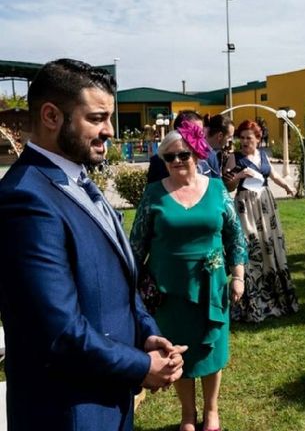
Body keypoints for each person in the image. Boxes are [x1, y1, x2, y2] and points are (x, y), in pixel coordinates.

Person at [0, 58, 186, 430]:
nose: (110, 131)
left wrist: (146, 334)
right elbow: (60, 333)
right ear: (52, 116)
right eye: (97, 118)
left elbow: (117, 283)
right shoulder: (25, 200)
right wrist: (141, 366)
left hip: (108, 400)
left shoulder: (78, 179)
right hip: (68, 412)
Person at [130, 124, 247, 431]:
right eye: (170, 157)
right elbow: (136, 244)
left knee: (210, 349)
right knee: (176, 349)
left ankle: (211, 411)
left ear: (196, 152)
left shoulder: (218, 188)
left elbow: (235, 236)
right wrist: (133, 286)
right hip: (169, 290)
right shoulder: (154, 193)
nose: (178, 160)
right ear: (163, 161)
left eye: (183, 154)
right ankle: (187, 415)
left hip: (212, 286)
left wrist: (238, 276)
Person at [224, 120, 299, 322]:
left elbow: (273, 176)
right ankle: (252, 303)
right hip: (245, 206)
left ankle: (277, 298)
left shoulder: (263, 155)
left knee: (271, 246)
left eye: (250, 137)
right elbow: (228, 186)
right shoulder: (234, 157)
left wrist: (288, 187)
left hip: (266, 207)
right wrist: (239, 174)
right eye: (243, 137)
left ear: (258, 139)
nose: (245, 141)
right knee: (251, 247)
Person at [147, 110, 220, 183]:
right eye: (193, 132)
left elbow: (217, 186)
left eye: (200, 132)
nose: (198, 137)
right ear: (177, 132)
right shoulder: (158, 161)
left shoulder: (210, 155)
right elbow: (152, 191)